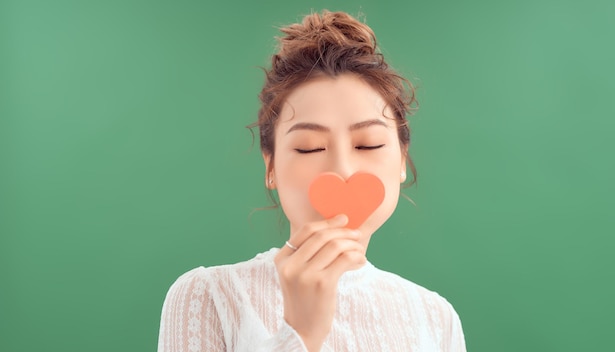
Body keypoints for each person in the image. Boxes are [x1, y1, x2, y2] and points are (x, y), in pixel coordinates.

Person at [157, 10, 466, 352]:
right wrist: (300, 334)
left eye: (368, 144)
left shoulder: (436, 317)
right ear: (270, 167)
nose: (343, 170)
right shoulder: (209, 296)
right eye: (309, 148)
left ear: (402, 160)